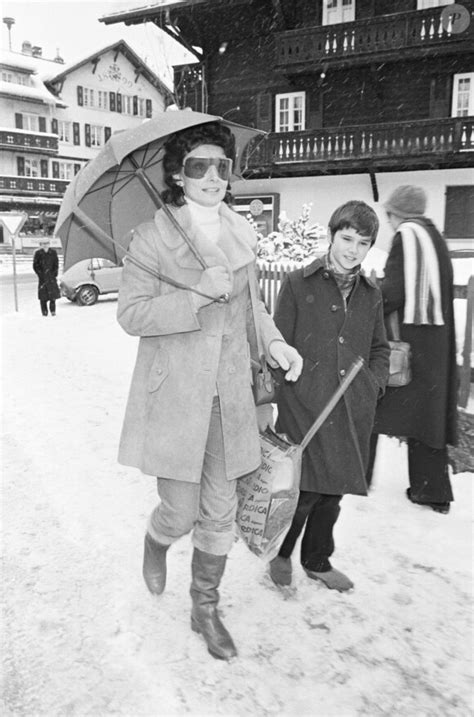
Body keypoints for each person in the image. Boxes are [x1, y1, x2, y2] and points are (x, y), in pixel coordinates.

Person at [116, 122, 303, 661]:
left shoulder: (240, 234)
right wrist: (196, 294)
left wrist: (275, 345)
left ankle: (205, 607)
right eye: (199, 166)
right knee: (181, 510)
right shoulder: (152, 238)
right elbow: (131, 315)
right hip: (174, 393)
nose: (213, 176)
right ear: (178, 174)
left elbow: (252, 310)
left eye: (221, 165)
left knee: (219, 510)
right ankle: (156, 539)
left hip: (230, 395)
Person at [269, 200, 390, 593]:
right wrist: (290, 391)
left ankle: (318, 560)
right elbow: (276, 344)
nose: (353, 249)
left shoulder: (371, 293)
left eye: (363, 242)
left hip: (350, 407)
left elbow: (379, 347)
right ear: (332, 235)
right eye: (347, 238)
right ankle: (283, 553)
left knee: (332, 493)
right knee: (302, 492)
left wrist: (375, 383)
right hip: (304, 405)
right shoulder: (298, 284)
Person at [366, 185, 458, 514]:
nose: (388, 221)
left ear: (397, 213)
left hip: (408, 346)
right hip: (437, 344)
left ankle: (356, 477)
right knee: (427, 418)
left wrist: (366, 298)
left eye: (388, 214)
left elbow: (394, 291)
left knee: (370, 403)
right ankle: (431, 491)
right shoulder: (434, 236)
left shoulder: (406, 236)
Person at [33, 238, 60, 316]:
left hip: (51, 277)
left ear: (49, 244)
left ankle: (53, 311)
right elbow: (35, 265)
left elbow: (56, 264)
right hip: (43, 278)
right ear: (41, 245)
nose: (45, 245)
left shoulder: (53, 252)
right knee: (43, 297)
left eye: (47, 243)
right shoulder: (38, 253)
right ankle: (44, 312)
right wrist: (40, 275)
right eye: (43, 244)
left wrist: (54, 273)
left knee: (53, 297)